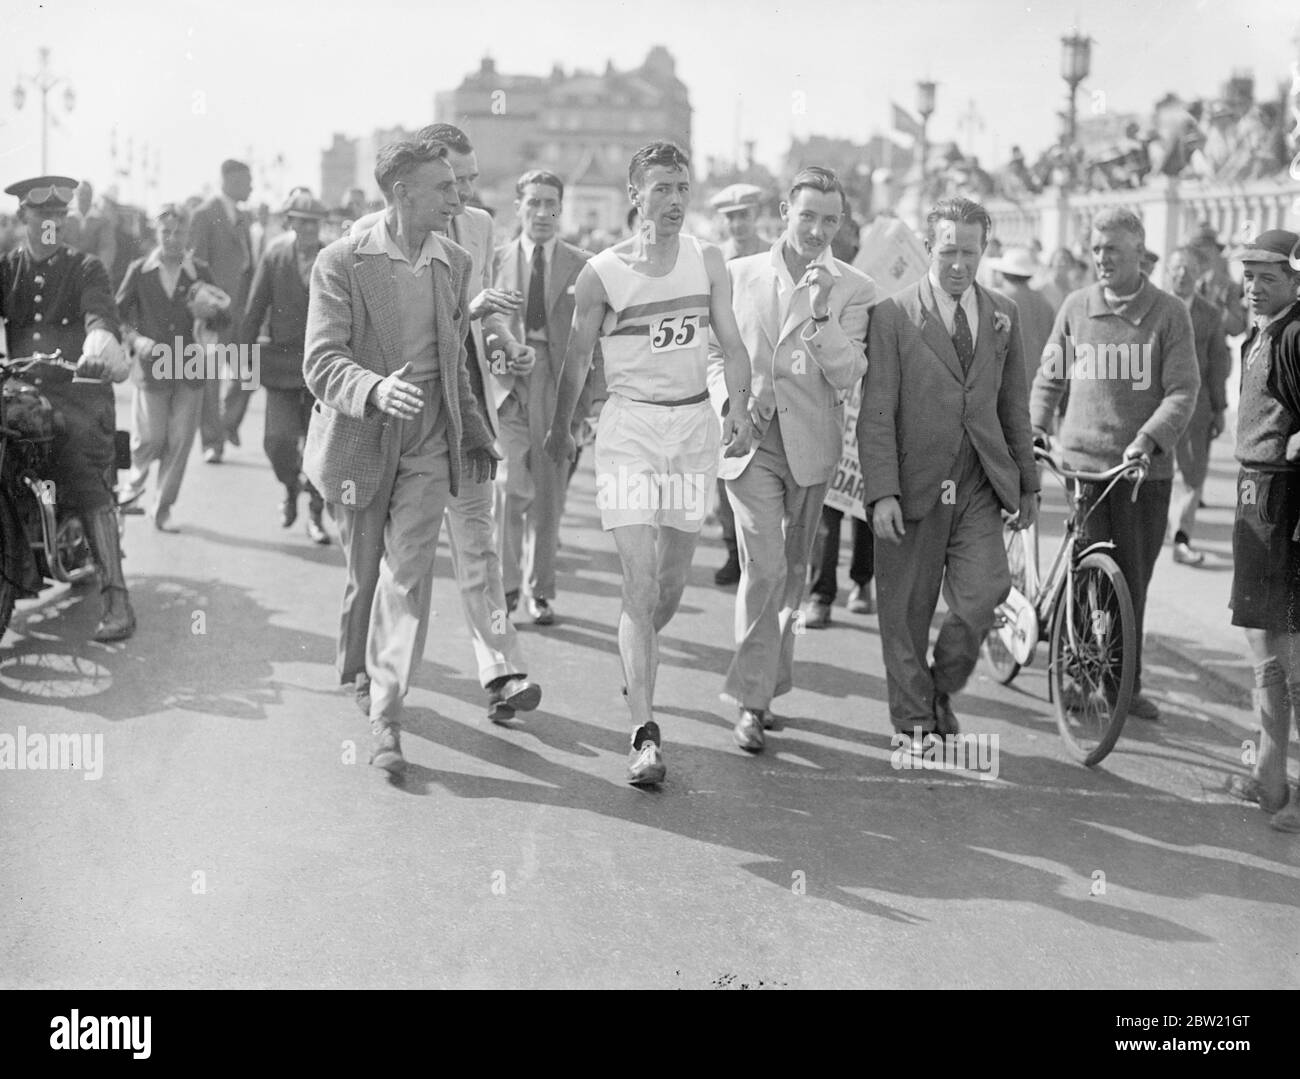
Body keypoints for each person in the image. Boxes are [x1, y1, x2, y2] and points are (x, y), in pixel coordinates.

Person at [544, 140, 755, 786]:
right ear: (634, 194)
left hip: (693, 426)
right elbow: (578, 360)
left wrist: (739, 406)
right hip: (630, 427)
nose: (673, 201)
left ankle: (636, 654)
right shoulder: (603, 273)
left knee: (666, 589)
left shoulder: (708, 261)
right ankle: (645, 733)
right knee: (637, 585)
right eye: (661, 188)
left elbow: (732, 342)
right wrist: (559, 431)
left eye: (682, 188)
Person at [303, 136, 499, 774]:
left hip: (427, 446)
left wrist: (473, 431)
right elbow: (321, 360)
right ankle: (359, 667)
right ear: (401, 193)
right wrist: (374, 388)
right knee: (366, 574)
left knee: (406, 576)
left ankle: (386, 714)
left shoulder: (455, 262)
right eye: (444, 188)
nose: (457, 197)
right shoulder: (340, 262)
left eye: (457, 185)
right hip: (361, 442)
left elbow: (452, 361)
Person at [350, 123, 543, 723]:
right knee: (390, 562)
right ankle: (370, 674)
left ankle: (501, 670)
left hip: (467, 411)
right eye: (451, 182)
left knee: (478, 545)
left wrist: (507, 343)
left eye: (471, 181)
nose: (461, 195)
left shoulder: (481, 228)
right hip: (400, 418)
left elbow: (482, 310)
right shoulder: (364, 239)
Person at [860, 197, 1038, 745]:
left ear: (985, 249)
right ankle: (913, 719)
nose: (958, 264)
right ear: (928, 247)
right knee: (907, 609)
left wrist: (1028, 482)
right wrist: (882, 493)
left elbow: (1014, 406)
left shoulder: (1003, 314)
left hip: (980, 479)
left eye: (969, 251)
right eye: (947, 251)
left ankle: (941, 686)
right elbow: (877, 411)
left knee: (985, 593)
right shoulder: (891, 315)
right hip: (915, 484)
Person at [709, 166, 874, 750]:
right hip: (750, 445)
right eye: (807, 216)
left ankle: (768, 685)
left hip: (812, 449)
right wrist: (729, 400)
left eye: (830, 220)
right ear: (784, 212)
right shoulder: (736, 274)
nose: (817, 230)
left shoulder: (854, 287)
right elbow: (714, 351)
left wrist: (823, 317)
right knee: (767, 567)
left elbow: (850, 373)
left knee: (793, 577)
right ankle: (751, 703)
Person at [1030, 206, 1200, 721]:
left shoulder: (1169, 314)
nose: (1102, 259)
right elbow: (1049, 377)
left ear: (1139, 253)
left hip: (1141, 475)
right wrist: (1037, 427)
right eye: (1097, 249)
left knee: (1131, 581)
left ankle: (1126, 684)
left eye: (1113, 250)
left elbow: (1182, 389)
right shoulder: (1076, 307)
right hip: (1083, 468)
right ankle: (1080, 676)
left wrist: (1148, 441)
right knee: (1089, 578)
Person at [0, 175, 133, 639]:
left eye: (59, 215)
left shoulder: (85, 268)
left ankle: (117, 597)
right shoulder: (6, 268)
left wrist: (98, 345)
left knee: (77, 469)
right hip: (18, 392)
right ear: (23, 218)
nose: (52, 223)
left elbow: (100, 313)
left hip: (77, 390)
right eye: (43, 215)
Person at [489, 168, 601, 627]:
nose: (542, 213)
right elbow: (483, 327)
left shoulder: (584, 265)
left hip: (560, 392)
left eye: (551, 203)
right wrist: (502, 357)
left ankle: (541, 590)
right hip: (511, 391)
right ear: (518, 207)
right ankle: (508, 584)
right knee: (508, 489)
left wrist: (589, 406)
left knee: (549, 499)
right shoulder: (495, 259)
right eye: (533, 203)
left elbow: (596, 342)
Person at [1223, 229, 1300, 832]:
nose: (1253, 288)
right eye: (1249, 276)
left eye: (1267, 279)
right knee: (1263, 648)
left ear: (1295, 281)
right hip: (1257, 493)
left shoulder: (1296, 335)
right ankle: (1271, 781)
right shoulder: (1264, 330)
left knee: (1290, 654)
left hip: (1284, 503)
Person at [116, 203, 225, 532]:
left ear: (188, 234)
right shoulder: (140, 269)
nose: (173, 238)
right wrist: (136, 341)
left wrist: (210, 313)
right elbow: (117, 315)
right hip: (151, 368)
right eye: (166, 232)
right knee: (149, 437)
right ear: (157, 233)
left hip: (190, 368)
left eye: (179, 232)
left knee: (179, 441)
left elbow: (224, 314)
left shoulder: (200, 271)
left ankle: (162, 507)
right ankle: (131, 490)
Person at [242, 191, 331, 544]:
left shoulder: (333, 256)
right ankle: (291, 486)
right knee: (276, 442)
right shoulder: (275, 254)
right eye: (301, 221)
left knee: (319, 448)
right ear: (289, 222)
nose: (308, 228)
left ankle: (315, 514)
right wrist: (242, 361)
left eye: (314, 222)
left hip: (323, 369)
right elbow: (254, 309)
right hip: (279, 366)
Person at [708, 182, 768, 587]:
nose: (738, 224)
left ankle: (766, 556)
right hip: (728, 378)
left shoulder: (773, 257)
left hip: (768, 372)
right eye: (731, 217)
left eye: (744, 215)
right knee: (728, 465)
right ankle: (734, 551)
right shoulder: (713, 262)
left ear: (757, 215)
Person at [1164, 245, 1231, 565]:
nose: (1182, 274)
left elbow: (1218, 363)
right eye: (1176, 268)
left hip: (1196, 406)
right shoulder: (1154, 308)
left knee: (1191, 474)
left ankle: (1181, 537)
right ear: (1168, 272)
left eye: (1188, 269)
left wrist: (1219, 408)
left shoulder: (1209, 314)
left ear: (1197, 275)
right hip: (1154, 404)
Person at [190, 159, 254, 463]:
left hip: (241, 311)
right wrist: (208, 304)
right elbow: (197, 264)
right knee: (211, 380)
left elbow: (248, 265)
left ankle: (228, 424)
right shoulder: (204, 214)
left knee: (249, 374)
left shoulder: (243, 216)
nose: (252, 186)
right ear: (229, 179)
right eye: (247, 180)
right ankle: (212, 442)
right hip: (216, 314)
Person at [989, 245, 1056, 390]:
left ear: (1003, 273)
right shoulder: (1043, 301)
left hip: (1008, 380)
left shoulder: (999, 300)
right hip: (1039, 379)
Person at [1190, 221, 1248, 338]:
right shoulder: (1180, 282)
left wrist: (1219, 309)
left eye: (1207, 248)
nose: (1202, 255)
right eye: (1197, 249)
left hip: (1214, 351)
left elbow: (1236, 328)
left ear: (1216, 251)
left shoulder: (1227, 286)